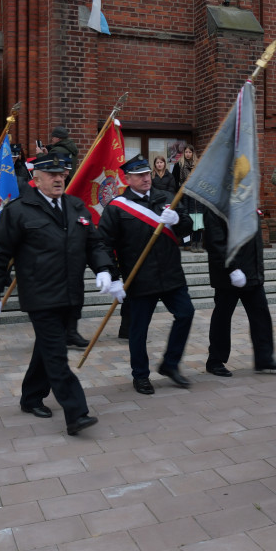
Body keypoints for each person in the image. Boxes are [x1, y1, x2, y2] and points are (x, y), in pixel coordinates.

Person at [0, 153, 119, 436]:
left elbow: (94, 243)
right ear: (36, 179)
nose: (59, 179)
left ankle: (31, 397)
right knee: (57, 355)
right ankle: (76, 413)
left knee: (47, 348)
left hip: (71, 294)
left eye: (63, 174)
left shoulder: (75, 206)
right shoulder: (18, 211)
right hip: (40, 295)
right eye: (52, 175)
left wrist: (105, 269)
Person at [99, 154, 194, 394]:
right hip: (139, 278)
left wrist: (179, 220)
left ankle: (170, 364)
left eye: (147, 173)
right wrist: (112, 276)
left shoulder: (168, 198)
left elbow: (188, 225)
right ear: (127, 178)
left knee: (186, 314)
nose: (145, 178)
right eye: (139, 175)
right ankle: (140, 375)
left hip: (171, 273)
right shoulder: (117, 207)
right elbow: (103, 243)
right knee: (139, 329)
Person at [203, 210, 276, 377]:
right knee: (222, 317)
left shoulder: (246, 199)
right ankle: (215, 360)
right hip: (229, 276)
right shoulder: (216, 206)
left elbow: (253, 239)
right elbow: (215, 242)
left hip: (251, 272)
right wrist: (232, 268)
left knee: (261, 315)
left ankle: (264, 357)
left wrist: (257, 270)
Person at [171, 144, 205, 250]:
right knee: (186, 221)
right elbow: (174, 181)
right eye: (186, 152)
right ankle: (186, 244)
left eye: (190, 152)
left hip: (196, 197)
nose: (188, 154)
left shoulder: (198, 165)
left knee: (197, 221)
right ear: (183, 153)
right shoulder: (179, 165)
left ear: (193, 153)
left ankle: (196, 243)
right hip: (183, 196)